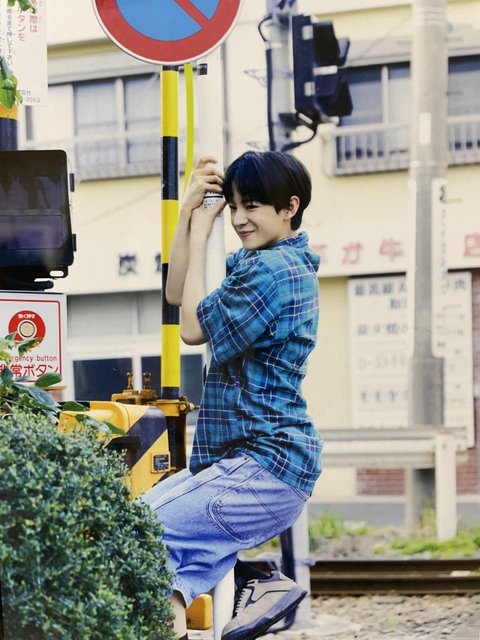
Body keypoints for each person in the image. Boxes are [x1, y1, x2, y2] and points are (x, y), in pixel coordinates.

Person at [142, 151, 322, 640]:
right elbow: (178, 293)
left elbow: (192, 329)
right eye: (235, 206)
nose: (239, 219)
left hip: (265, 466)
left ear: (290, 207)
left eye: (252, 206)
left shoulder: (274, 271)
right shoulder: (259, 262)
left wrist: (202, 231)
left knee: (139, 530)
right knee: (155, 566)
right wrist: (188, 212)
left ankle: (259, 582)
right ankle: (257, 583)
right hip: (250, 465)